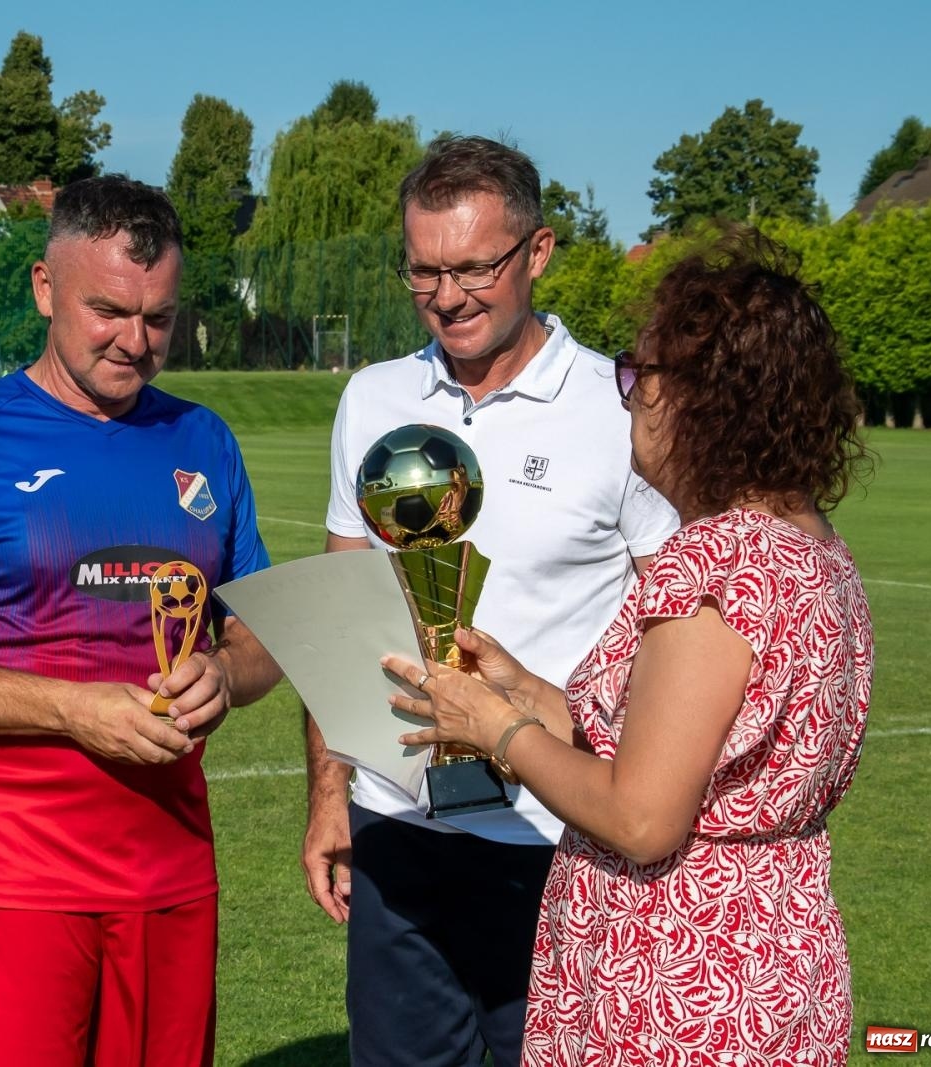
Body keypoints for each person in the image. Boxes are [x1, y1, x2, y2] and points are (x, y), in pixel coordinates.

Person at [383, 233, 874, 1065]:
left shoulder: (715, 564)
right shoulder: (813, 550)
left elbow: (643, 817)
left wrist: (491, 728)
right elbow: (694, 748)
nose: (629, 398)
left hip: (680, 972)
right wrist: (529, 694)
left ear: (707, 399)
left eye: (639, 375)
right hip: (773, 949)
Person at [0, 175, 282, 1067]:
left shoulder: (204, 441)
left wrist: (227, 675)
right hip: (8, 873)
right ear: (46, 287)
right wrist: (71, 710)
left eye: (159, 317)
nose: (137, 341)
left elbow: (262, 629)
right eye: (109, 310)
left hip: (170, 872)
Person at [302, 135, 679, 1067]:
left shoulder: (619, 409)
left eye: (473, 267)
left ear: (539, 252)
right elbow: (341, 612)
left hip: (557, 838)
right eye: (423, 271)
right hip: (396, 825)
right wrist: (329, 799)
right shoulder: (373, 396)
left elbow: (674, 631)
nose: (448, 296)